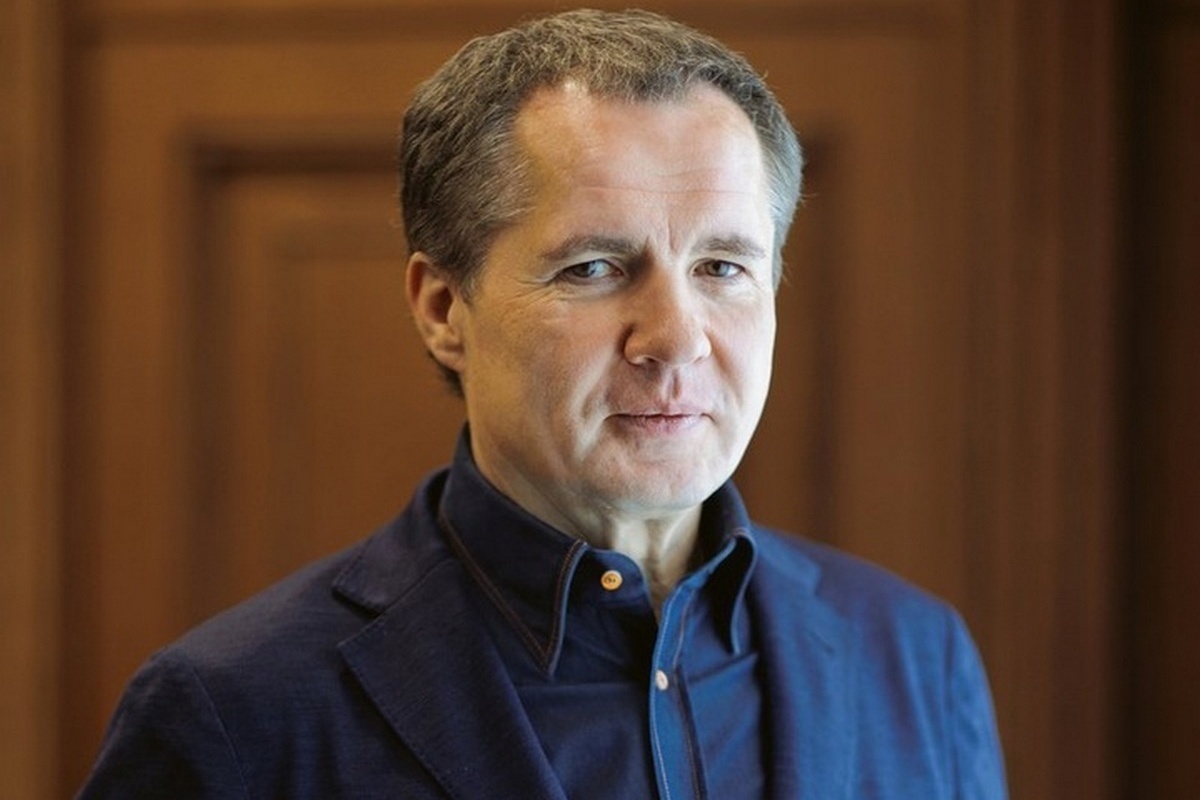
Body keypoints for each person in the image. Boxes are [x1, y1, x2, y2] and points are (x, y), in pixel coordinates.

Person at [79, 9, 1007, 799]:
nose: (676, 338)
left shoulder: (915, 658)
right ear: (443, 309)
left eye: (723, 267)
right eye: (594, 268)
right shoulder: (235, 718)